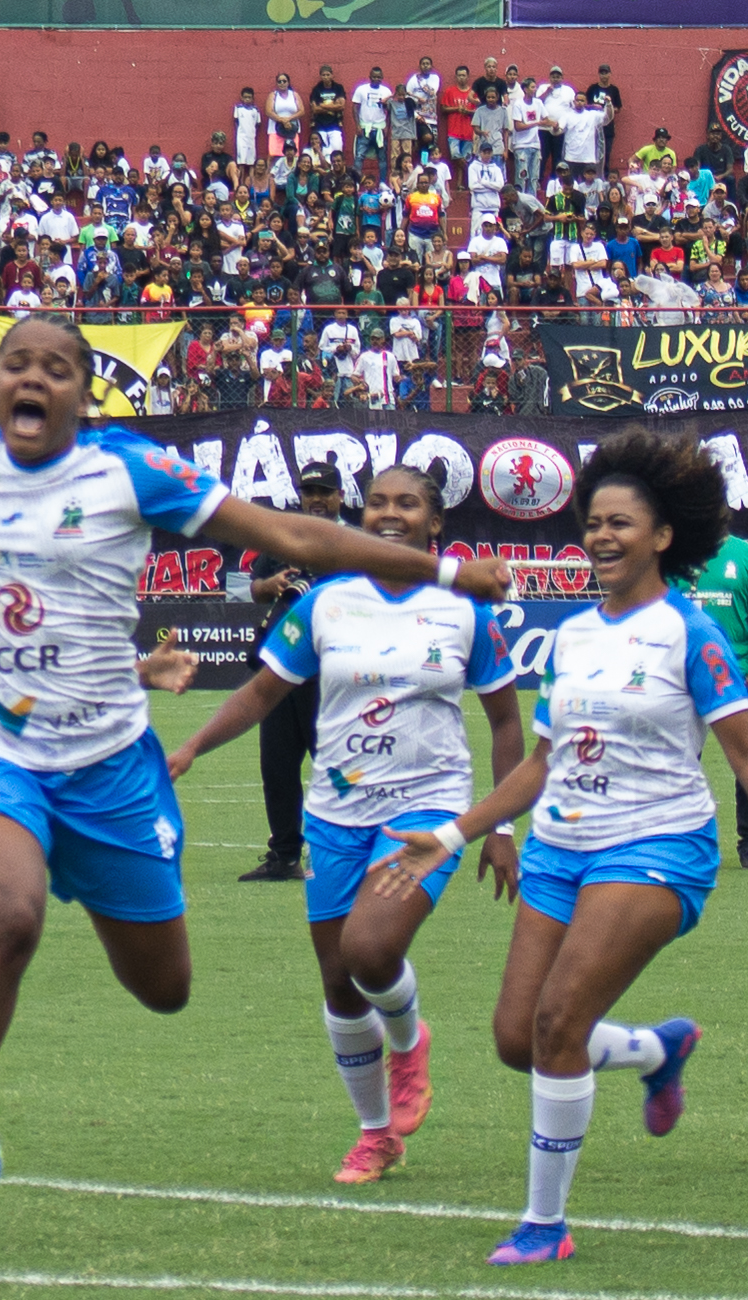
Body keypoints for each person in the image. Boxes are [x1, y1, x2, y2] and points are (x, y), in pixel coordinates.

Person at [0, 305, 521, 1297]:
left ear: (84, 394)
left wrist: (446, 570)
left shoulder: (128, 474)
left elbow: (291, 533)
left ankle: (380, 1040)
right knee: (11, 912)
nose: (31, 378)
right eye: (14, 364)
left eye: (54, 367)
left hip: (110, 767)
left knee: (163, 987)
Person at [375, 430, 748, 1268]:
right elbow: (542, 761)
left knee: (559, 1023)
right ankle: (655, 1049)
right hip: (563, 848)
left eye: (620, 524)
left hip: (657, 849)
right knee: (519, 1040)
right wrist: (456, 832)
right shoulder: (574, 635)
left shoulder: (691, 633)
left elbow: (746, 754)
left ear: (663, 536)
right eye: (593, 522)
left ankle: (544, 1225)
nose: (600, 536)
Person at [166, 466, 521, 1184]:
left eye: (408, 503)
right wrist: (192, 748)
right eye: (379, 502)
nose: (390, 513)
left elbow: (507, 721)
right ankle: (375, 1135)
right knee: (338, 984)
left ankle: (408, 1039)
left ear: (435, 525)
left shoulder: (465, 610)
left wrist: (503, 831)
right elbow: (266, 690)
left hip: (427, 808)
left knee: (369, 949)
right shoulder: (327, 601)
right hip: (334, 812)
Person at [233, 460, 351, 885]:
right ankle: (284, 855)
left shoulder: (354, 542)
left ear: (340, 497)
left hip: (332, 668)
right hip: (281, 667)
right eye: (309, 492)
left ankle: (353, 846)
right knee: (278, 766)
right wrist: (271, 586)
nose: (316, 500)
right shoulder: (285, 537)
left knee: (335, 761)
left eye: (324, 492)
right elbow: (254, 587)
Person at [684, 521, 748, 868]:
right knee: (677, 760)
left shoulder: (747, 554)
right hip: (681, 674)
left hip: (734, 675)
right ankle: (678, 839)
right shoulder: (669, 549)